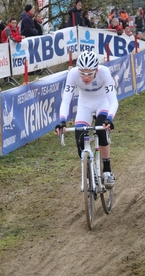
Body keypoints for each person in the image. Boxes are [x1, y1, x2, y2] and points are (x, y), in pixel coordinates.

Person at [55, 51, 118, 189]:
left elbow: (113, 100)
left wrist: (110, 118)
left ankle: (107, 169)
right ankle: (89, 174)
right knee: (79, 138)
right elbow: (65, 101)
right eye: (82, 73)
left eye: (89, 73)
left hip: (103, 103)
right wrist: (62, 121)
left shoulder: (104, 72)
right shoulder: (72, 74)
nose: (85, 77)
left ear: (96, 70)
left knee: (102, 130)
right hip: (84, 104)